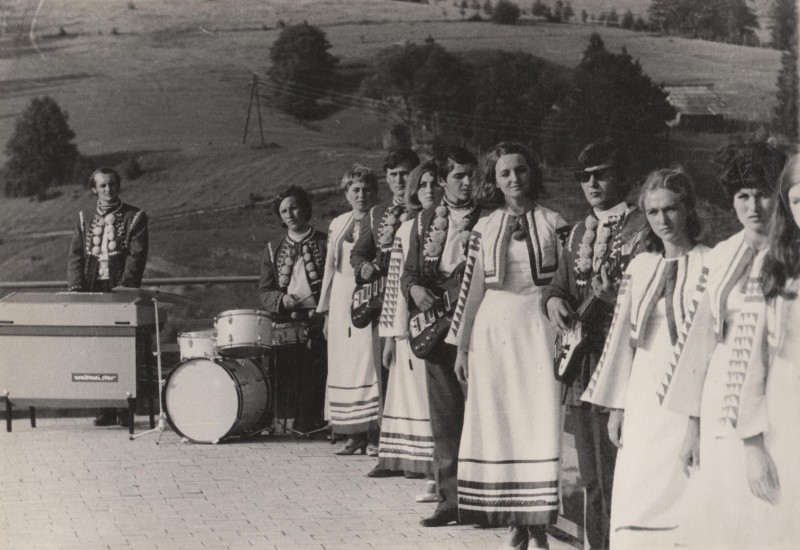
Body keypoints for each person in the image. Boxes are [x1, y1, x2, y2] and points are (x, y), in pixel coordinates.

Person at [661, 139, 787, 548]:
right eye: (743, 196)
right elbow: (698, 345)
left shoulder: (791, 256)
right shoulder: (720, 256)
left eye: (763, 194)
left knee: (772, 507)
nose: (754, 207)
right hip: (720, 396)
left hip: (776, 396)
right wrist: (692, 427)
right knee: (724, 509)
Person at [447, 142, 569, 549]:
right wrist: (462, 347)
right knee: (503, 422)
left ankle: (539, 525)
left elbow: (567, 283)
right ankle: (515, 522)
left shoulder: (554, 222)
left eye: (520, 170)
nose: (514, 179)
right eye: (505, 173)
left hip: (539, 329)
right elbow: (471, 291)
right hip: (494, 332)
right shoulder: (484, 227)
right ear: (494, 181)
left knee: (538, 421)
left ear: (531, 173)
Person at [580, 167, 708, 548]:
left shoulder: (710, 263)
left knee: (686, 485)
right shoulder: (640, 266)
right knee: (638, 486)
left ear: (687, 208)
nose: (662, 220)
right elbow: (622, 340)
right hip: (642, 393)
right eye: (653, 212)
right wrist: (617, 408)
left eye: (670, 209)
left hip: (689, 391)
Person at [541, 139, 647, 550]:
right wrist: (552, 301)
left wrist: (615, 298)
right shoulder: (577, 233)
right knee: (590, 476)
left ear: (622, 177)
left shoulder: (642, 229)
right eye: (583, 177)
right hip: (579, 367)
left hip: (619, 363)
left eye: (601, 174)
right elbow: (558, 284)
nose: (591, 184)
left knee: (617, 471)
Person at [401, 146, 482, 527]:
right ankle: (449, 502)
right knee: (446, 419)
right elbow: (409, 273)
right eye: (458, 176)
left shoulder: (490, 217)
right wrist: (415, 289)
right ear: (444, 180)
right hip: (436, 329)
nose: (466, 183)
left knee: (482, 413)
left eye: (471, 175)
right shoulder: (425, 221)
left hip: (478, 329)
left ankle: (486, 500)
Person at [737, 153, 800, 548]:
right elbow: (750, 360)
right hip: (786, 414)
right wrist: (752, 446)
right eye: (798, 200)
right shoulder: (773, 266)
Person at [350, 148, 420, 460]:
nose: (399, 180)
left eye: (405, 173)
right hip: (384, 304)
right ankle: (388, 449)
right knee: (386, 372)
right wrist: (363, 267)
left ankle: (418, 450)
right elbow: (358, 252)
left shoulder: (427, 209)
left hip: (418, 303)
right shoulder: (377, 214)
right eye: (393, 175)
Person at [376, 161, 442, 486]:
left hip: (443, 318)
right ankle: (417, 461)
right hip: (411, 324)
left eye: (434, 183)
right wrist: (392, 336)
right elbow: (395, 287)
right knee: (414, 394)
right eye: (422, 185)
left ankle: (438, 464)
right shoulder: (406, 228)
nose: (428, 190)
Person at [67, 167, 149, 427]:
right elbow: (76, 255)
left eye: (112, 184)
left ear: (118, 186)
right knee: (98, 348)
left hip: (120, 290)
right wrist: (76, 287)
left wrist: (125, 288)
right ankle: (106, 408)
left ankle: (126, 408)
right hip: (92, 289)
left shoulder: (135, 217)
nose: (108, 189)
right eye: (102, 185)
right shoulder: (84, 218)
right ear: (94, 189)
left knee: (124, 348)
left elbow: (137, 256)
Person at [316, 165, 381, 454]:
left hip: (369, 297)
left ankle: (375, 434)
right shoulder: (338, 223)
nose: (361, 195)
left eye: (366, 189)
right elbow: (330, 269)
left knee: (368, 364)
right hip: (342, 302)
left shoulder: (382, 220)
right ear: (346, 194)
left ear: (375, 192)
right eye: (355, 189)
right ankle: (354, 435)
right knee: (344, 366)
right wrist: (327, 312)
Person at [258, 185, 327, 435]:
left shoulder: (325, 242)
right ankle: (288, 427)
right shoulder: (272, 248)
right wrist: (282, 299)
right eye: (284, 211)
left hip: (322, 319)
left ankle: (316, 425)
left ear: (305, 209)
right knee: (288, 373)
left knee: (318, 372)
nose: (290, 215)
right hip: (287, 322)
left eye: (294, 208)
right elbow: (264, 291)